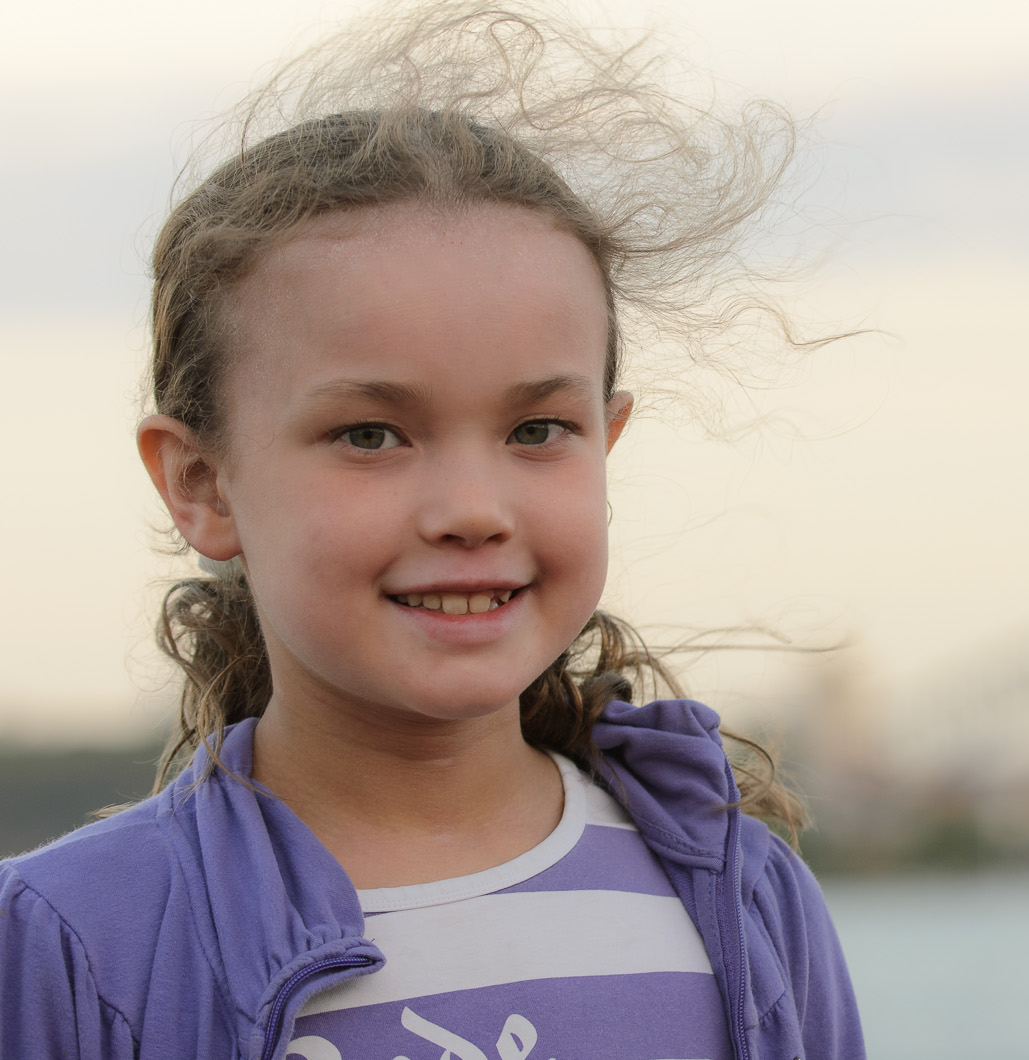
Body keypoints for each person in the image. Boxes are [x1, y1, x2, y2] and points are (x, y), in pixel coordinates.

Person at [0, 4, 865, 1058]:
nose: (470, 508)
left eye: (537, 429)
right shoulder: (70, 943)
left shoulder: (745, 902)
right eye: (372, 433)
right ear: (201, 484)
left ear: (610, 442)